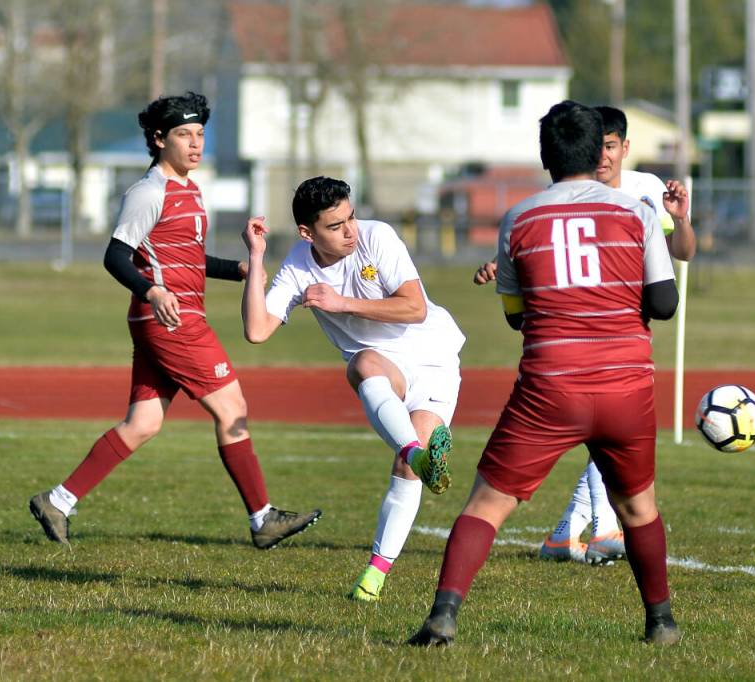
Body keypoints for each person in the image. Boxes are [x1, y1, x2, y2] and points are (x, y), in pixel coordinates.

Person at [409, 100, 681, 646]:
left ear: (545, 157)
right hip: (626, 384)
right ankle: (661, 622)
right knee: (637, 507)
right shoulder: (637, 214)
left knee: (487, 504)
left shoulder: (520, 218)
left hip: (550, 386)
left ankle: (444, 614)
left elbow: (515, 317)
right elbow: (665, 302)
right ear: (597, 149)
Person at [28, 91, 321, 550]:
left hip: (163, 317)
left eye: (200, 134)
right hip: (171, 319)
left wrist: (237, 269)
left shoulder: (189, 189)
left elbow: (184, 256)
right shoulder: (149, 191)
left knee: (143, 423)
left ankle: (58, 501)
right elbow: (115, 256)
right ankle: (263, 518)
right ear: (159, 139)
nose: (195, 143)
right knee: (232, 410)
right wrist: (152, 289)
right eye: (184, 134)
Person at [473, 105, 694, 566]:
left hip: (600, 349)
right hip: (602, 354)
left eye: (613, 147)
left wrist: (683, 220)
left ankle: (573, 530)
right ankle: (605, 541)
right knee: (612, 448)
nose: (605, 157)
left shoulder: (644, 194)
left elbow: (682, 255)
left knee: (599, 445)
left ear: (624, 148)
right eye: (601, 146)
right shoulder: (548, 206)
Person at [239, 176, 464, 602]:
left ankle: (375, 574)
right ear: (308, 233)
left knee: (405, 471)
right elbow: (255, 330)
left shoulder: (378, 237)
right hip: (384, 370)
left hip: (435, 361)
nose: (350, 230)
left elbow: (414, 308)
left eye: (351, 217)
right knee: (364, 363)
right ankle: (416, 454)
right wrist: (256, 257)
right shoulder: (298, 265)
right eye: (336, 225)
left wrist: (342, 302)